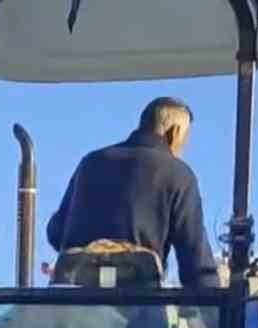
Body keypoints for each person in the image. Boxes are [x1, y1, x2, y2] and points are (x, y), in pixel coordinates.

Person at [46, 97, 219, 289]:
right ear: (175, 132)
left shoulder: (91, 162)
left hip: (76, 307)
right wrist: (216, 313)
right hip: (139, 308)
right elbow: (195, 261)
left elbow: (55, 233)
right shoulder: (178, 174)